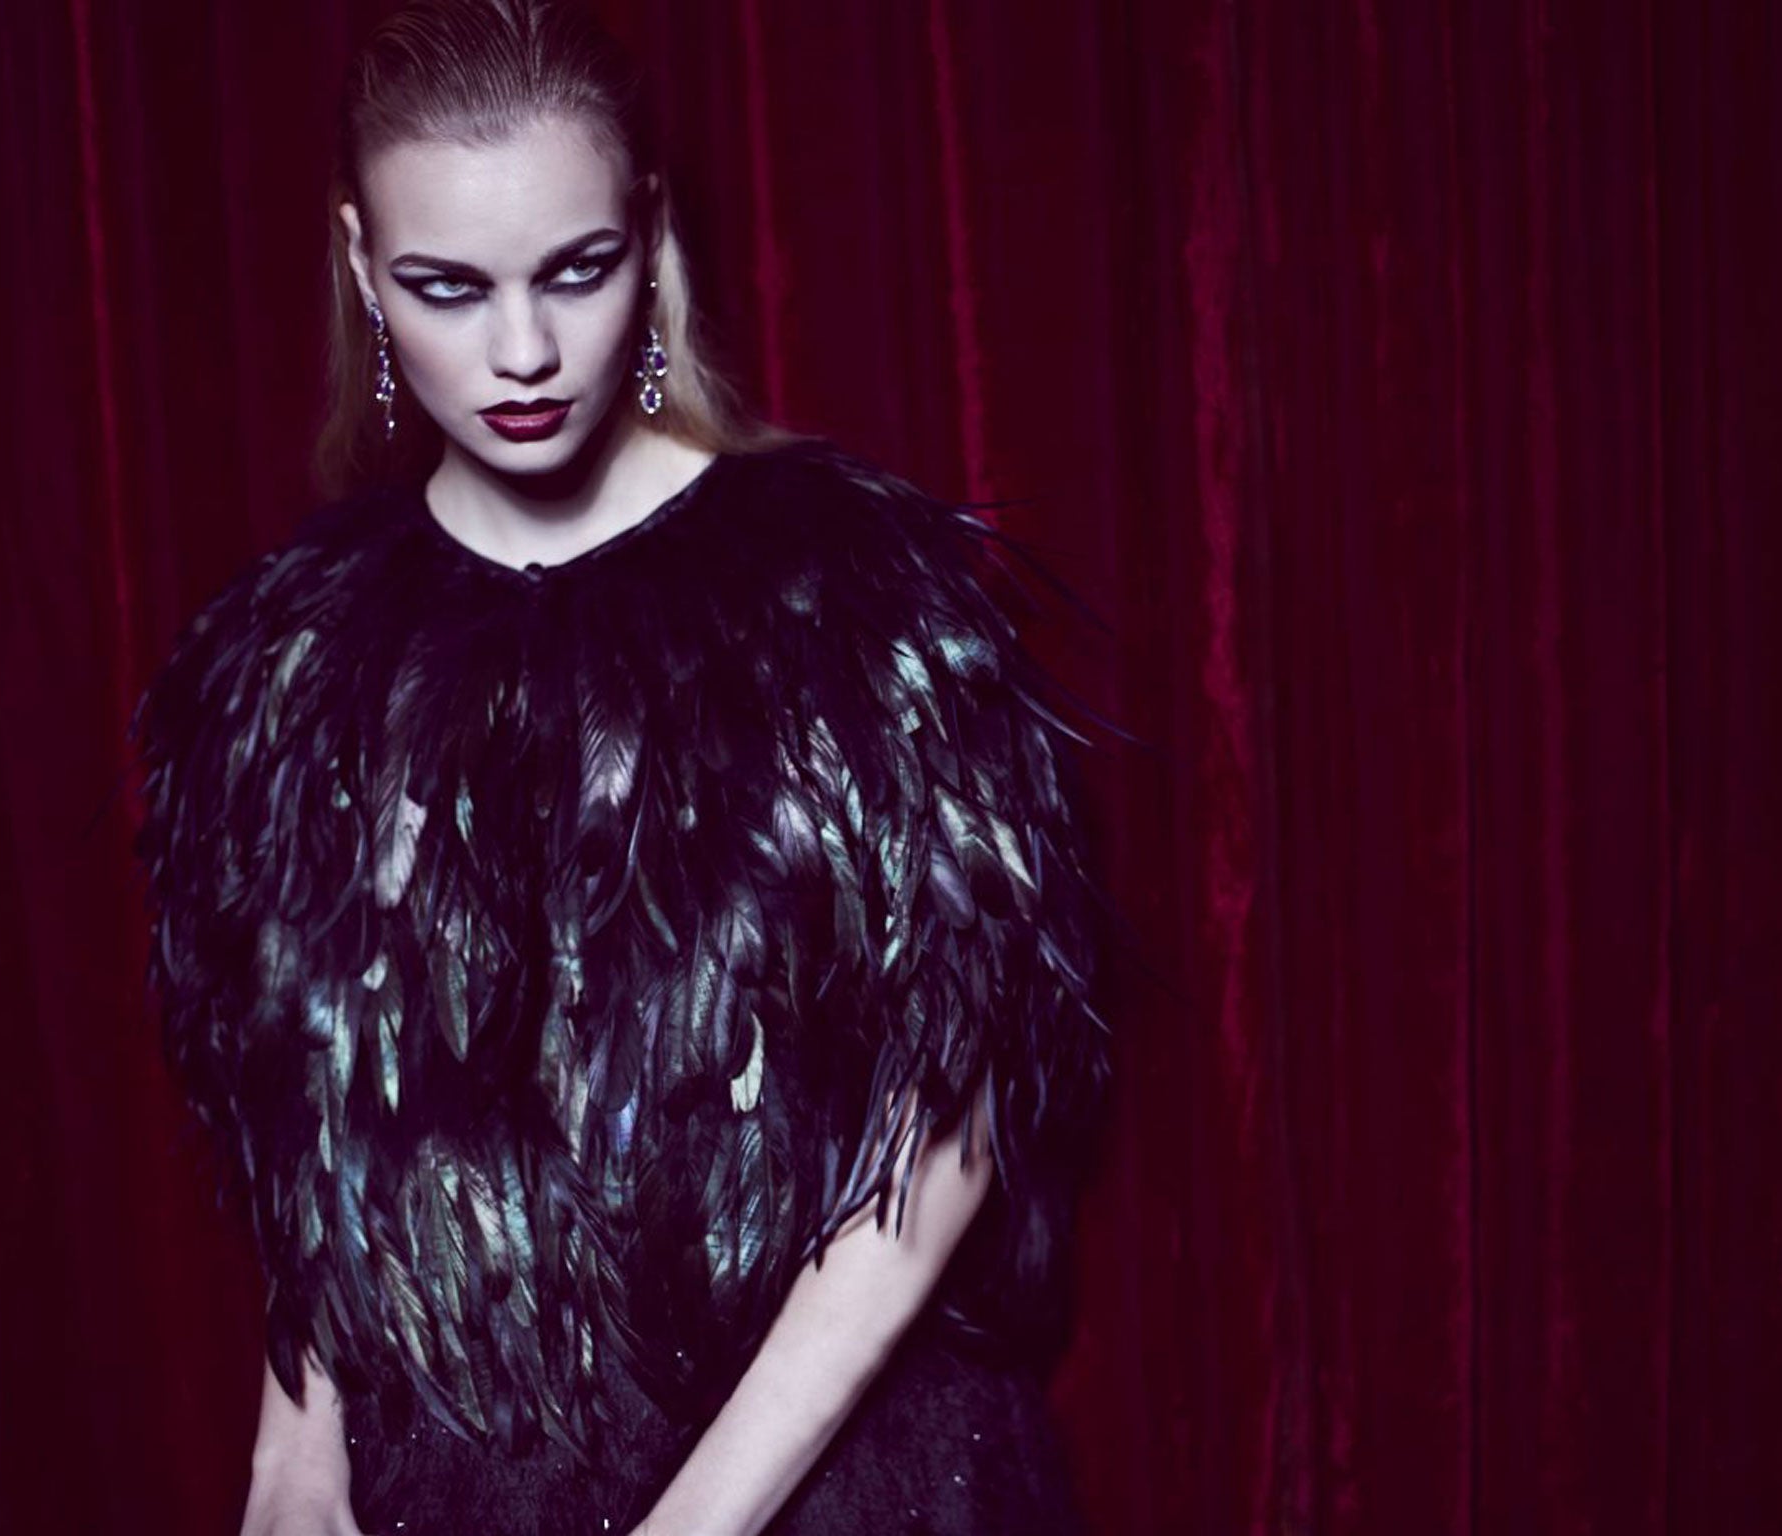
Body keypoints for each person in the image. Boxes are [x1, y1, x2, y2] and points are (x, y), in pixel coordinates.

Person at [130, 2, 1112, 1532]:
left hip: (838, 1474)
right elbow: (324, 1106)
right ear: (360, 264)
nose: (523, 351)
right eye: (448, 288)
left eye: (575, 271)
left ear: (649, 234)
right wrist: (295, 1443)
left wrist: (694, 1523)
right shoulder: (293, 664)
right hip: (462, 1478)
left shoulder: (845, 598)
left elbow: (945, 1129)